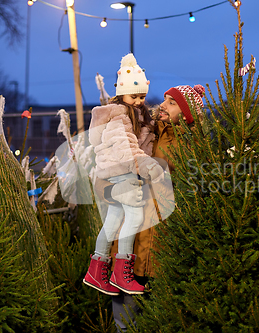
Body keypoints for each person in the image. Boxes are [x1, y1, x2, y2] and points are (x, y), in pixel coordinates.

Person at [95, 84, 206, 332]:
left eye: (172, 102)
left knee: (160, 315)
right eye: (165, 100)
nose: (162, 106)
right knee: (125, 310)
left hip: (164, 241)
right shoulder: (143, 130)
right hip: (131, 235)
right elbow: (110, 164)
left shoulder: (193, 145)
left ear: (187, 113)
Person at [83, 53, 165, 296]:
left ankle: (96, 271)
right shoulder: (118, 115)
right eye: (134, 96)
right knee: (134, 217)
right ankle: (121, 271)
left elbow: (141, 143)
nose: (139, 101)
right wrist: (146, 165)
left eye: (142, 96)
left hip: (121, 171)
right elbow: (125, 144)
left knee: (114, 220)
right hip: (122, 170)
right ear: (121, 94)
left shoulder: (135, 114)